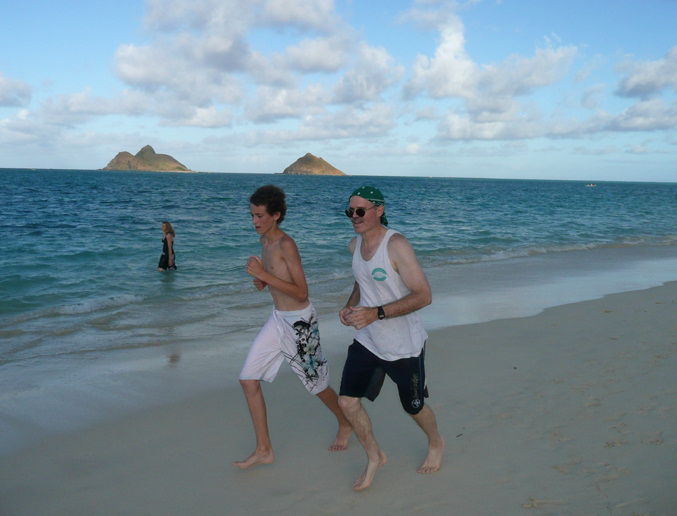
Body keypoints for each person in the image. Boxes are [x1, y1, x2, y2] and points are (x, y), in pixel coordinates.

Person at [233, 184, 352, 469]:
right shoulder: (264, 242)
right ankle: (264, 450)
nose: (255, 221)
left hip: (300, 324)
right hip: (278, 320)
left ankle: (345, 422)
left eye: (260, 216)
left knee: (317, 385)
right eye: (252, 215)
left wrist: (264, 274)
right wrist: (263, 281)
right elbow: (278, 282)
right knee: (248, 380)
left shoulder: (286, 244)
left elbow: (301, 292)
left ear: (276, 215)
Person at [338, 185, 444, 491]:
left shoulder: (396, 245)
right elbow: (362, 280)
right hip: (369, 339)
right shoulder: (354, 245)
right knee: (347, 402)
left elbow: (424, 295)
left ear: (378, 210)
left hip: (403, 345)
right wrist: (351, 306)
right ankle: (375, 456)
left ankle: (436, 442)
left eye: (360, 211)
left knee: (413, 406)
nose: (354, 217)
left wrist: (376, 313)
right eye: (350, 211)